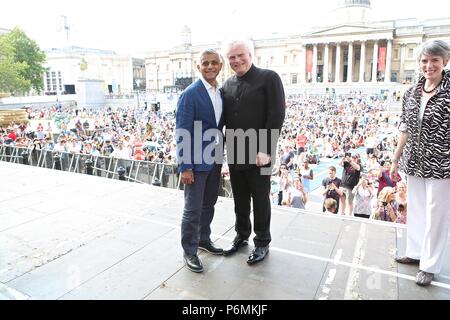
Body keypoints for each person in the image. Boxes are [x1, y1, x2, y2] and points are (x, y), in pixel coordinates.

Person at [391, 40, 450, 286]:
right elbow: (404, 126)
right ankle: (415, 252)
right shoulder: (412, 91)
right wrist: (395, 158)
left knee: (437, 215)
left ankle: (429, 264)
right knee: (416, 209)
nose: (429, 65)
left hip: (442, 163)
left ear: (445, 61)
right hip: (413, 161)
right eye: (424, 61)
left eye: (434, 60)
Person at [222, 39, 286, 264]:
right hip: (237, 149)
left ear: (251, 55)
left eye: (241, 55)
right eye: (232, 57)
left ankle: (262, 242)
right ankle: (241, 235)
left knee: (260, 199)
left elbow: (276, 114)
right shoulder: (227, 84)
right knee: (239, 198)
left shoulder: (269, 78)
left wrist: (266, 149)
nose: (237, 60)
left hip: (261, 152)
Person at [176, 49, 225, 273]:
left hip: (214, 159)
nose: (210, 67)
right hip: (195, 162)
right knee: (192, 209)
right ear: (198, 67)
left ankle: (204, 239)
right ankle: (190, 250)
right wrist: (185, 166)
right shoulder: (190, 93)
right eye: (205, 63)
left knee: (209, 204)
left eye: (214, 63)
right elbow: (182, 131)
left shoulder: (219, 93)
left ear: (220, 66)